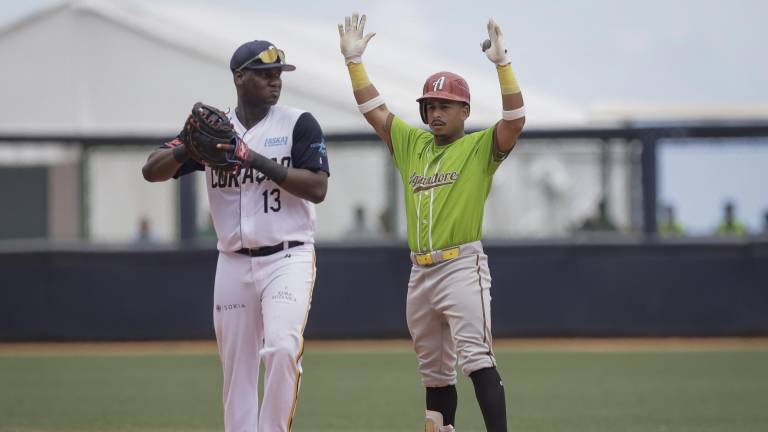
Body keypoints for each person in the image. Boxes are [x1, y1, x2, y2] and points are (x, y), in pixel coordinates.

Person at [338, 14, 525, 432]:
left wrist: (502, 66)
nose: (435, 112)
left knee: (477, 359)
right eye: (429, 105)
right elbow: (375, 110)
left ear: (464, 111)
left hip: (462, 267)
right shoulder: (412, 144)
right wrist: (354, 63)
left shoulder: (479, 147)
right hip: (419, 272)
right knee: (435, 373)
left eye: (444, 105)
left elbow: (514, 122)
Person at [141, 40, 329, 432]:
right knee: (237, 370)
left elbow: (317, 188)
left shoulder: (298, 123)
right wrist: (186, 148)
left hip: (288, 256)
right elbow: (151, 169)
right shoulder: (216, 130)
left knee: (281, 349)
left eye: (278, 74)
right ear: (239, 77)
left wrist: (251, 158)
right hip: (232, 262)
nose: (275, 81)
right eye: (264, 74)